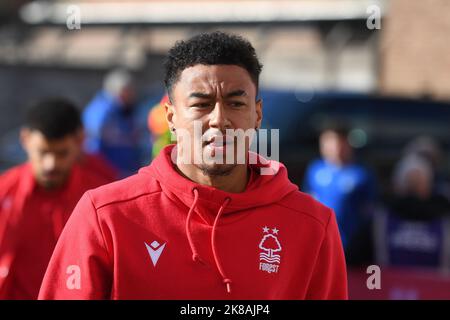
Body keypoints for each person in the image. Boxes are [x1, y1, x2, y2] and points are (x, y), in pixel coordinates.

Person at [38, 32, 347, 300]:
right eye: (201, 104)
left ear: (257, 115)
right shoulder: (105, 215)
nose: (218, 119)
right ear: (171, 117)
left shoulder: (313, 226)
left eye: (236, 103)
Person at [0, 98, 113, 299]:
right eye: (42, 152)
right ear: (25, 140)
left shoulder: (103, 199)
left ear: (79, 141)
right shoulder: (4, 193)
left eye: (61, 153)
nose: (50, 164)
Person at [346, 154, 450, 269]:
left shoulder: (378, 220)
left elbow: (351, 258)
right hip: (397, 286)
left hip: (393, 286)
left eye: (417, 182)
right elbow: (352, 257)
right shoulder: (378, 221)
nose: (413, 186)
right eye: (410, 182)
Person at [303, 125, 377, 249]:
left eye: (338, 142)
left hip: (350, 243)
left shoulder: (361, 173)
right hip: (320, 240)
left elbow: (369, 208)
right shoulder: (315, 169)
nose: (334, 148)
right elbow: (308, 199)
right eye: (328, 142)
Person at [82, 68, 143, 177]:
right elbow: (93, 148)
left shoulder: (125, 110)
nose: (133, 94)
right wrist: (108, 174)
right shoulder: (101, 112)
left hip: (124, 173)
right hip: (107, 176)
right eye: (129, 90)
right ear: (120, 91)